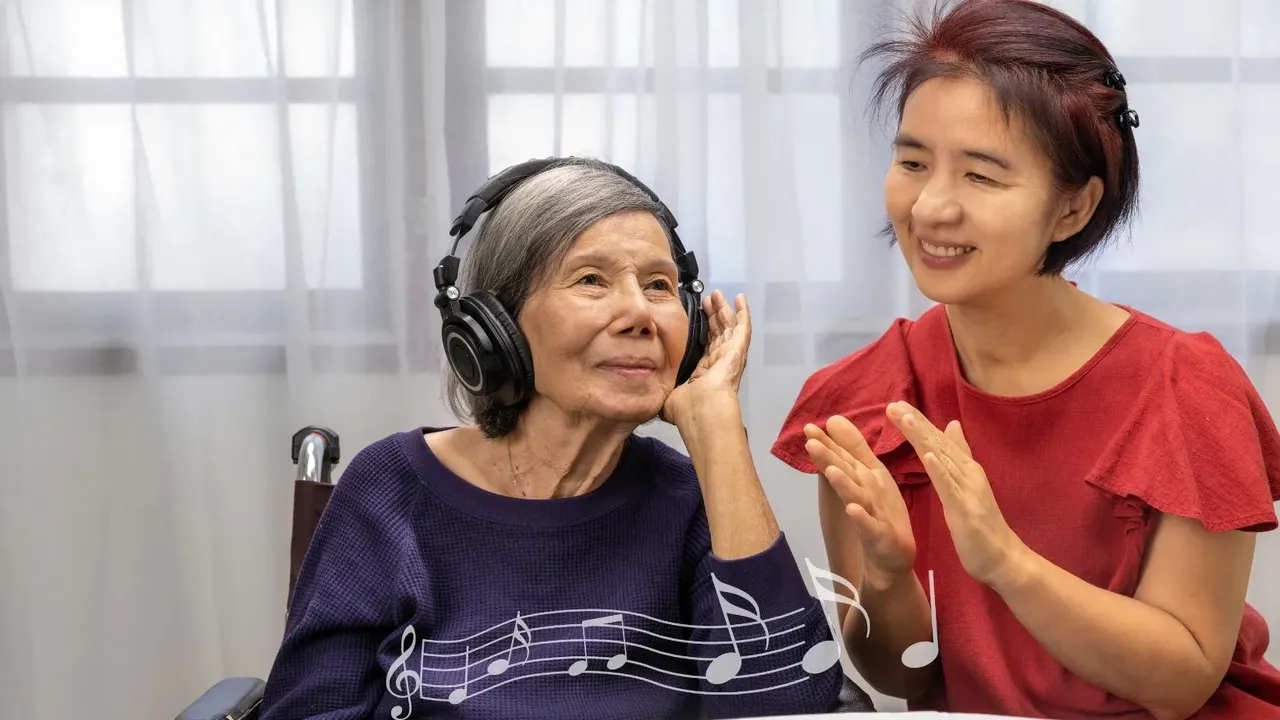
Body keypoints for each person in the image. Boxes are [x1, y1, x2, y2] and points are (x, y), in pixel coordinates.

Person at [769, 1, 1280, 718]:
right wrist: (887, 579)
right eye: (913, 161)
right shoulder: (866, 398)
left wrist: (1005, 564)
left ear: (1072, 209)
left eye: (981, 176)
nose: (931, 207)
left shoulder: (1184, 387)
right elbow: (905, 679)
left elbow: (1181, 682)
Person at [258, 157, 850, 719]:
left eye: (660, 286)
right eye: (591, 280)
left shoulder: (691, 500)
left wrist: (719, 432)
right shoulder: (389, 489)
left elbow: (788, 708)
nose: (639, 313)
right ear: (496, 327)